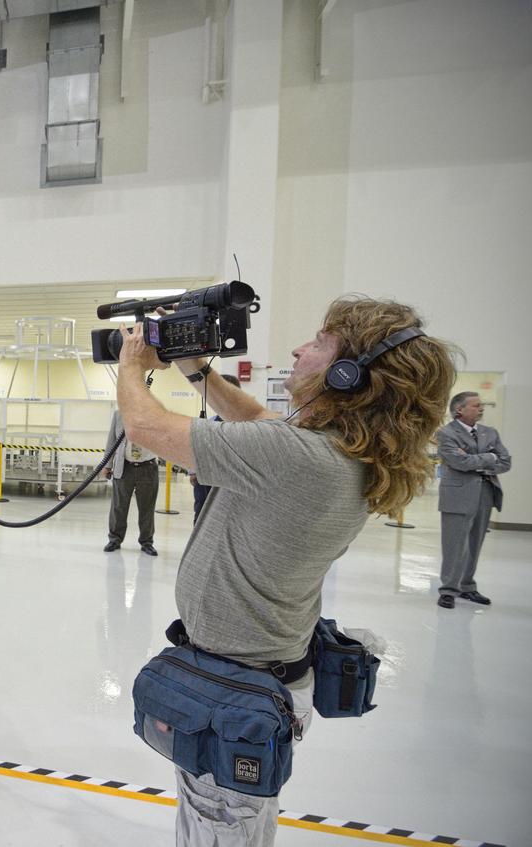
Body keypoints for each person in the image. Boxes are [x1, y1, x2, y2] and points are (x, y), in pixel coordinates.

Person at [116, 296, 454, 846]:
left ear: (351, 374)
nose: (299, 349)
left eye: (320, 342)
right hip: (261, 672)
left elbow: (144, 426)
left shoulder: (301, 458)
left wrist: (132, 361)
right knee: (234, 818)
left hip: (234, 682)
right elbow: (253, 417)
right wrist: (199, 372)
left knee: (220, 825)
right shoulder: (342, 451)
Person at [435, 391, 511, 609]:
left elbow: (505, 461)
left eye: (481, 405)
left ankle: (467, 587)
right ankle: (448, 590)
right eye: (476, 405)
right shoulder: (446, 433)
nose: (482, 408)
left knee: (475, 543)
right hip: (457, 494)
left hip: (486, 492)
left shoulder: (490, 433)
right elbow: (459, 462)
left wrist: (472, 459)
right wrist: (489, 457)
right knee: (454, 544)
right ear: (460, 409)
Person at [103, 407, 159, 555]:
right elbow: (112, 441)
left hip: (147, 467)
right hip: (124, 467)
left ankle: (147, 542)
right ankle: (115, 539)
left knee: (147, 508)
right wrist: (107, 465)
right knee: (118, 506)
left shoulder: (154, 413)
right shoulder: (119, 414)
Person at [190, 373, 241, 519]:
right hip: (205, 480)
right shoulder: (210, 421)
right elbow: (198, 446)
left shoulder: (245, 424)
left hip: (231, 482)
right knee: (201, 516)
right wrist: (193, 471)